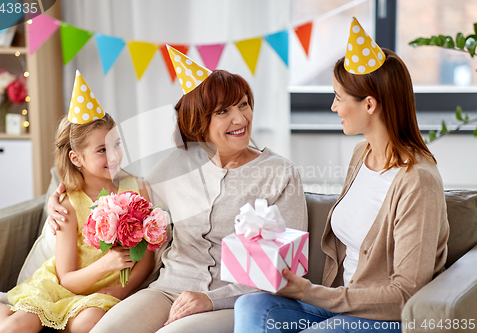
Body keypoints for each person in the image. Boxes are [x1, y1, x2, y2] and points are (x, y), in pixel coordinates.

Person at [46, 47, 308, 333]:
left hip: (234, 301)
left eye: (244, 104)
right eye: (223, 111)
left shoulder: (280, 173)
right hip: (167, 290)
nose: (241, 119)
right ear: (200, 122)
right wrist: (59, 197)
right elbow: (120, 196)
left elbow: (286, 269)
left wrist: (210, 299)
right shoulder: (172, 169)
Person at [233, 18, 449, 333]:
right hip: (341, 306)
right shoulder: (361, 154)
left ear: (370, 104)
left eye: (339, 97)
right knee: (252, 305)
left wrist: (310, 292)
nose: (334, 107)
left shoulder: (417, 181)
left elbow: (405, 295)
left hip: (385, 321)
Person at [0, 71, 155, 333]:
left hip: (103, 293)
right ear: (76, 158)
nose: (115, 155)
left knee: (89, 323)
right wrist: (105, 264)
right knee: (12, 329)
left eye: (116, 144)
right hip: (60, 287)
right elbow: (68, 280)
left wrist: (120, 289)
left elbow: (147, 259)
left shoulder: (137, 190)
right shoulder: (68, 205)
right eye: (102, 150)